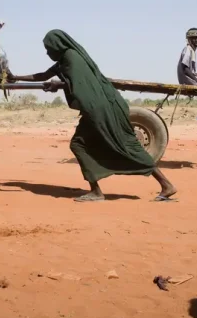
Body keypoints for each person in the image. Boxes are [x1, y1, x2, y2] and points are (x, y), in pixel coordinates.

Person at [13, 29, 177, 202]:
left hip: (100, 108)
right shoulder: (65, 59)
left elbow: (79, 83)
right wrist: (15, 77)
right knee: (121, 144)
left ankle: (97, 192)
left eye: (48, 48)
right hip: (102, 105)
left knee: (83, 144)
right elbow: (43, 75)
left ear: (57, 45)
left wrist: (57, 85)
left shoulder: (71, 57)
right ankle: (165, 185)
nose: (47, 52)